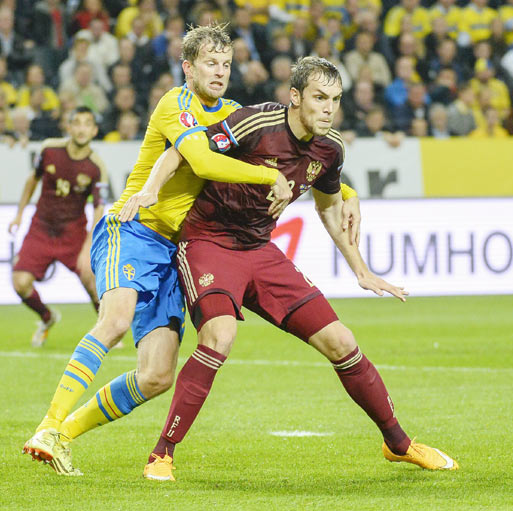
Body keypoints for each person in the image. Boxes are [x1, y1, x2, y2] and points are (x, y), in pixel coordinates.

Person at [132, 56, 458, 481]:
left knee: (341, 341)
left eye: (335, 100)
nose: (328, 108)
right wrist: (150, 190)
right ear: (295, 97)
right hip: (208, 242)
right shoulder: (256, 123)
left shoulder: (330, 148)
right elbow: (182, 150)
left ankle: (399, 444)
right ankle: (162, 454)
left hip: (260, 251)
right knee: (220, 335)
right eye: (320, 98)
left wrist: (360, 269)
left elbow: (329, 208)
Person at [21, 23, 297, 476]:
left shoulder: (232, 113)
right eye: (211, 63)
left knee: (156, 376)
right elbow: (204, 161)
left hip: (177, 252)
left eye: (226, 64)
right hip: (133, 229)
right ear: (187, 67)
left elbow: (282, 150)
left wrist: (341, 190)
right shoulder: (176, 103)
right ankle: (47, 424)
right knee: (114, 319)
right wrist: (269, 178)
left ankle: (63, 435)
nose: (220, 71)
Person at [9, 106, 106, 347]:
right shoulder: (50, 149)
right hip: (41, 227)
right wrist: (19, 214)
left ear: (94, 131)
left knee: (91, 281)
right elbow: (33, 179)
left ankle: (106, 333)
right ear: (69, 126)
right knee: (19, 283)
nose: (82, 128)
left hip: (72, 231)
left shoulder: (96, 167)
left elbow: (98, 208)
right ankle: (47, 316)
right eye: (77, 123)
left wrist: (87, 247)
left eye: (87, 124)